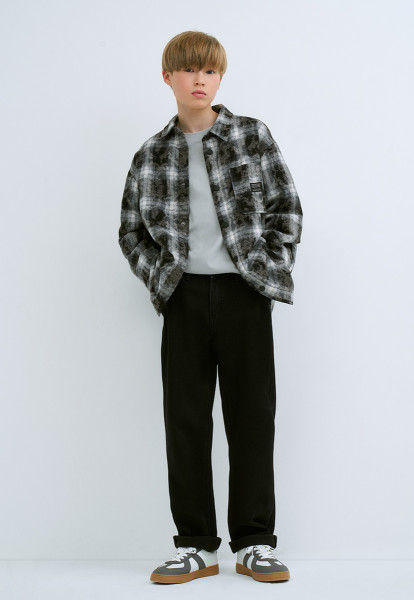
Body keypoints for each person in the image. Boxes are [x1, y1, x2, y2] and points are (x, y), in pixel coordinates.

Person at [118, 30, 303, 584]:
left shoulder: (251, 135)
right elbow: (131, 232)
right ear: (168, 77)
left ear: (220, 78)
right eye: (189, 70)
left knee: (252, 420)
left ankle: (254, 543)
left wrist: (266, 268)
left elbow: (286, 209)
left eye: (210, 71)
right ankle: (196, 546)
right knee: (186, 422)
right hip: (184, 297)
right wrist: (163, 279)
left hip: (245, 293)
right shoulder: (151, 153)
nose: (200, 80)